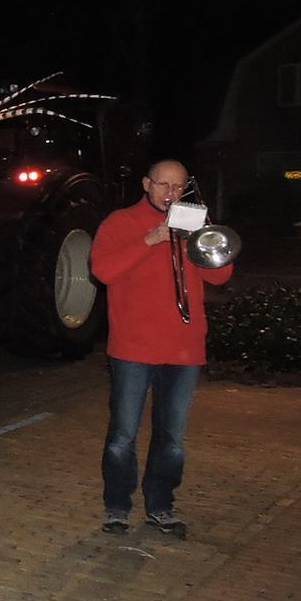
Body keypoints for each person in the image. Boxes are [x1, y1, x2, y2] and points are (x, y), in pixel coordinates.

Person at [90, 159, 233, 538]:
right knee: (123, 436)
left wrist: (202, 238)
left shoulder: (193, 224)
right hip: (133, 348)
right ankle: (117, 507)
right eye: (163, 185)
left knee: (171, 439)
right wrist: (149, 241)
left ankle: (161, 506)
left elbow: (221, 274)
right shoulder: (120, 222)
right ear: (146, 184)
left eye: (178, 186)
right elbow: (102, 271)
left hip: (184, 349)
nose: (171, 193)